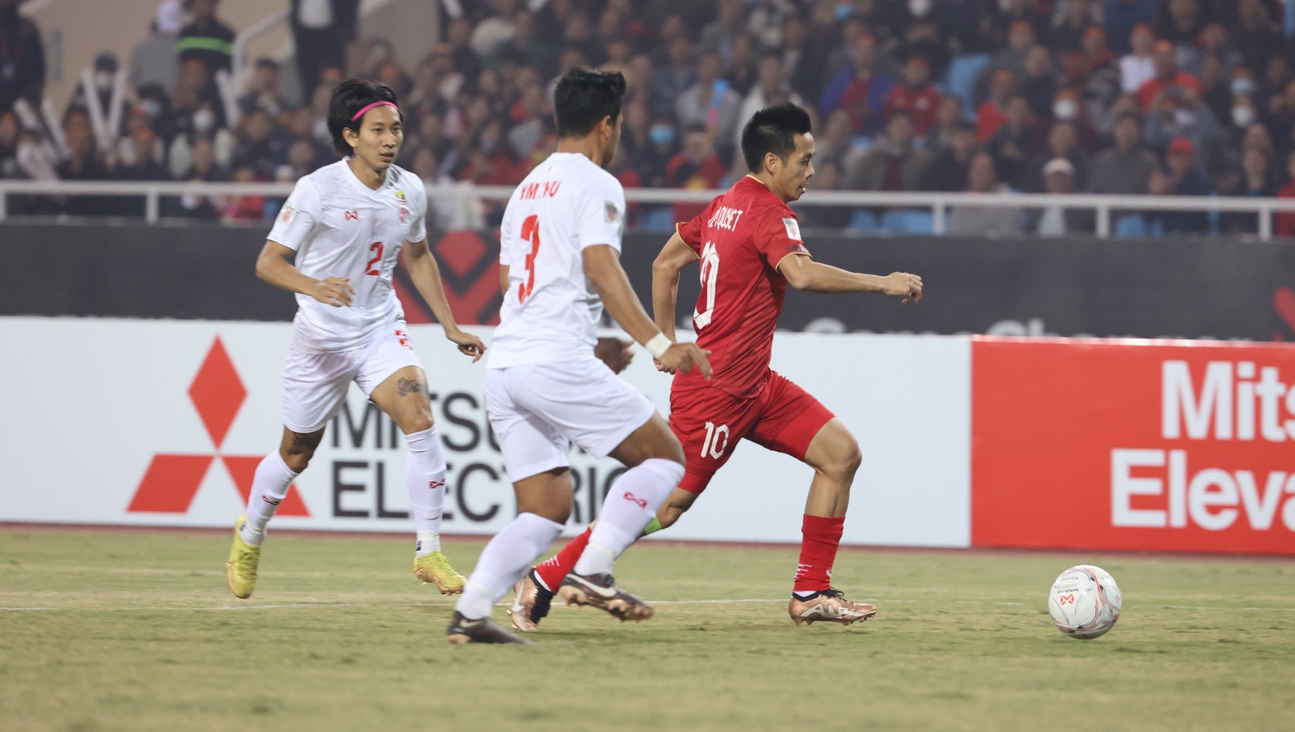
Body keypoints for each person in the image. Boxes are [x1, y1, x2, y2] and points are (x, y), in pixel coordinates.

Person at [508, 103, 921, 634]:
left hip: (756, 384)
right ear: (772, 162)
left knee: (841, 454)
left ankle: (811, 589)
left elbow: (664, 263)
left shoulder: (724, 205)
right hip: (717, 391)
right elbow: (799, 274)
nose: (811, 171)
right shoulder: (770, 213)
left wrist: (664, 343)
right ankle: (546, 576)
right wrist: (881, 282)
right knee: (668, 504)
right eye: (805, 160)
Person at [447, 68, 710, 645]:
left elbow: (516, 283)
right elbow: (600, 268)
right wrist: (660, 344)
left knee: (546, 506)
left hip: (508, 365)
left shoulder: (526, 189)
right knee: (665, 458)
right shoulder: (596, 183)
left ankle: (470, 612)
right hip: (550, 361)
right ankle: (592, 570)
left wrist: (592, 343)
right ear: (606, 125)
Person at [225, 78, 488, 604]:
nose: (390, 139)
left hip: (378, 328)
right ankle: (250, 534)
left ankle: (429, 550)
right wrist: (314, 285)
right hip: (321, 340)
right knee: (297, 453)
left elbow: (418, 256)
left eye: (396, 128)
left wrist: (448, 323)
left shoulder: (408, 188)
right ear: (351, 136)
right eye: (378, 130)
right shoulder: (318, 189)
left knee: (420, 414)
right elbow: (268, 262)